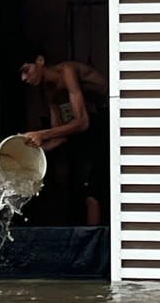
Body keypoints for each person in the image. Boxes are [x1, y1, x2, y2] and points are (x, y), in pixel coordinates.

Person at [19, 48, 109, 226]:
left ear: (40, 61)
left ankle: (94, 249)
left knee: (94, 192)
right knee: (85, 191)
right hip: (93, 126)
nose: (24, 78)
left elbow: (82, 122)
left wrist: (41, 134)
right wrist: (34, 150)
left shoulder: (67, 71)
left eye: (26, 70)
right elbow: (60, 135)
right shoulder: (48, 91)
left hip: (111, 116)